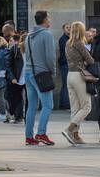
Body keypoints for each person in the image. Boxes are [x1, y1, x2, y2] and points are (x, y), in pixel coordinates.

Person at [59, 21, 96, 146]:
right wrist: (86, 62)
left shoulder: (67, 43)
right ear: (81, 31)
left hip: (70, 75)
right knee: (87, 107)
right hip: (79, 75)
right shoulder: (79, 43)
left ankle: (75, 136)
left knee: (75, 108)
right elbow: (90, 60)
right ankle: (69, 130)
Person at [24, 10, 57, 146]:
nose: (50, 20)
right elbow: (50, 57)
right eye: (49, 18)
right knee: (48, 105)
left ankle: (29, 136)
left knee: (31, 106)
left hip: (28, 73)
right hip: (41, 73)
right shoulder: (46, 35)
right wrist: (53, 71)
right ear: (44, 20)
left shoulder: (28, 36)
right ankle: (41, 133)